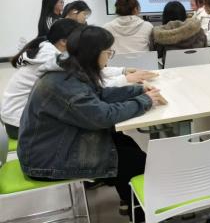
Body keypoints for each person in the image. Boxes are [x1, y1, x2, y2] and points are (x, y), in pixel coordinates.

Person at [17, 26, 165, 221]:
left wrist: (137, 91)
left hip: (52, 145)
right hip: (46, 160)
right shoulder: (64, 83)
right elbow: (102, 116)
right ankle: (143, 214)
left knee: (124, 142)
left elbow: (98, 95)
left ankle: (133, 203)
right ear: (94, 54)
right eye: (108, 52)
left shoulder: (68, 70)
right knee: (134, 162)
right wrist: (145, 101)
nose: (109, 57)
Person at [1, 19, 82, 139]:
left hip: (14, 119)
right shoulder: (50, 57)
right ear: (63, 41)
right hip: (19, 124)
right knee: (79, 128)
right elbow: (78, 75)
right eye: (79, 40)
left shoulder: (47, 50)